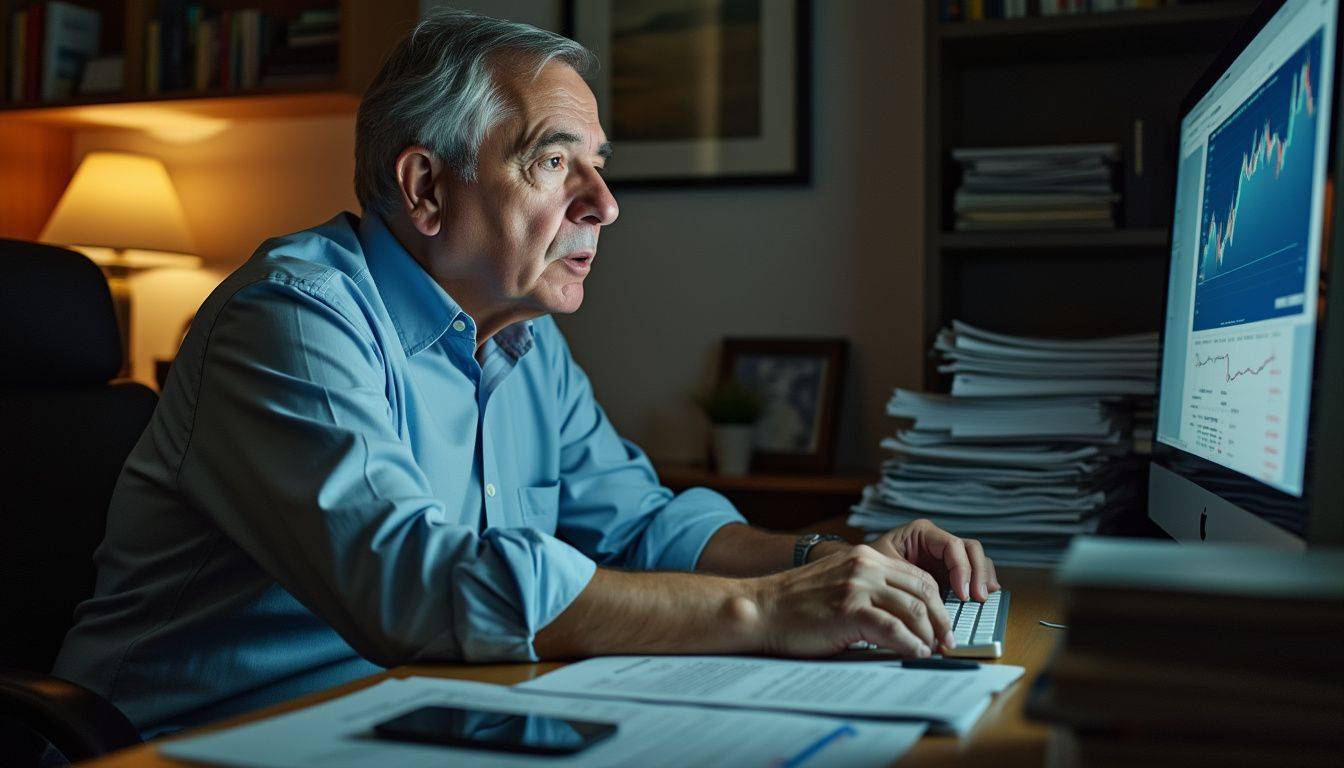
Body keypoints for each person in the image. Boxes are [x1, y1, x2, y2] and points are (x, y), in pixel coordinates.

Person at [53, 9, 998, 734]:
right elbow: (416, 590)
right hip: (194, 741)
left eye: (599, 164)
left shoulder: (523, 339)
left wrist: (831, 561)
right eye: (556, 161)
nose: (606, 205)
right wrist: (763, 611)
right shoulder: (294, 319)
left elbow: (643, 523)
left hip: (413, 725)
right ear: (425, 188)